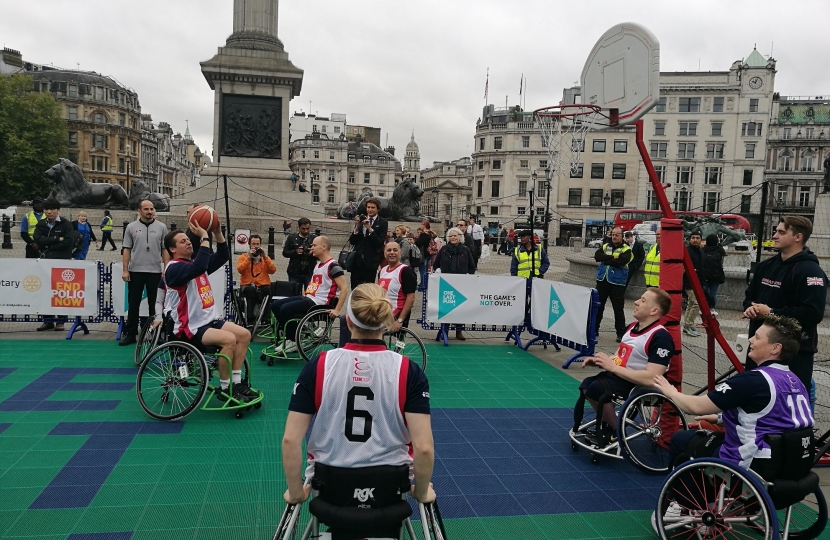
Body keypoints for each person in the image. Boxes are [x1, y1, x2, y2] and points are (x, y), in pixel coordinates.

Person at [281, 283, 435, 508]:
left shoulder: (320, 364)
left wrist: (296, 493)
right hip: (388, 486)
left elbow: (290, 439)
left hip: (330, 485)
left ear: (348, 321)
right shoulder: (408, 370)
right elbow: (424, 447)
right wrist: (421, 492)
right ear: (385, 321)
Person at [655, 314, 812, 470]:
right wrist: (720, 418)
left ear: (775, 348)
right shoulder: (796, 381)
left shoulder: (752, 380)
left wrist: (671, 392)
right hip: (790, 461)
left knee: (681, 439)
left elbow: (695, 407)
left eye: (757, 337)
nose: (750, 340)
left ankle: (683, 493)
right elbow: (771, 417)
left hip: (753, 461)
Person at [163, 223, 258, 403]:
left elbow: (222, 256)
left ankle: (237, 383)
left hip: (207, 321)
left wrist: (218, 233)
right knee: (229, 339)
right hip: (188, 327)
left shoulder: (192, 264)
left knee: (244, 335)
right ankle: (225, 388)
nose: (189, 243)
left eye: (188, 240)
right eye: (183, 241)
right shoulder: (174, 268)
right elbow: (199, 267)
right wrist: (205, 238)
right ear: (173, 249)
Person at [579, 288, 675, 444]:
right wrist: (601, 362)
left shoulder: (660, 336)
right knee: (587, 386)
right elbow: (619, 358)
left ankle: (617, 430)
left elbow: (653, 378)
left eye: (643, 300)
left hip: (640, 385)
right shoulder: (631, 327)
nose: (636, 302)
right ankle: (609, 425)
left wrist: (614, 368)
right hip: (623, 377)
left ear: (654, 310)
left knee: (598, 388)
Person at [742, 216, 827, 389]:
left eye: (781, 232)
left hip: (793, 354)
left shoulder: (811, 271)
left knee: (785, 406)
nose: (774, 236)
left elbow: (812, 313)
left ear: (798, 237)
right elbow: (749, 296)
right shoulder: (766, 265)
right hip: (759, 350)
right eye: (776, 231)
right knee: (754, 401)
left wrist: (771, 312)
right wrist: (750, 308)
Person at [271, 236, 348, 354]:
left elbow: (344, 289)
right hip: (310, 297)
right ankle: (293, 336)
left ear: (324, 247)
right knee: (275, 305)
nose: (311, 248)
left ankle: (294, 339)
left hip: (319, 303)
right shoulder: (318, 265)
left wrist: (337, 310)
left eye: (314, 245)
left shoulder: (333, 266)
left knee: (285, 309)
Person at [339, 242, 417, 346]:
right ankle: (348, 349)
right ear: (384, 254)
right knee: (346, 319)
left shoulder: (405, 271)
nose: (392, 253)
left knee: (364, 325)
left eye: (395, 250)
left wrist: (400, 320)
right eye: (389, 250)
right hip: (379, 311)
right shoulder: (383, 271)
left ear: (400, 253)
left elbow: (411, 298)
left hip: (393, 314)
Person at [119, 199, 169, 346]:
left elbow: (165, 249)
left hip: (155, 272)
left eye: (152, 209)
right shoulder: (131, 227)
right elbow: (126, 249)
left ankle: (154, 333)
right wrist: (125, 270)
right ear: (139, 211)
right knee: (133, 303)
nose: (150, 212)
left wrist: (166, 269)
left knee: (155, 304)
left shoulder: (162, 227)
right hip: (136, 271)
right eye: (146, 209)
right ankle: (131, 333)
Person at [33, 198, 75, 331]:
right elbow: (38, 239)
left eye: (52, 209)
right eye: (46, 209)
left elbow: (68, 242)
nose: (49, 212)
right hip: (45, 262)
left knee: (61, 291)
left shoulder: (66, 224)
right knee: (45, 291)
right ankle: (48, 320)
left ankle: (61, 320)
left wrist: (49, 245)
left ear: (58, 210)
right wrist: (56, 239)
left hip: (61, 261)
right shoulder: (41, 224)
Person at [432, 227, 476, 340]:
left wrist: (468, 276)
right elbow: (436, 264)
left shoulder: (465, 250)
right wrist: (438, 270)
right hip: (446, 283)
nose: (452, 237)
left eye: (455, 235)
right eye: (450, 236)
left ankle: (459, 331)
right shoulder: (444, 249)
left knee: (460, 307)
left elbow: (472, 266)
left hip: (461, 283)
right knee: (446, 307)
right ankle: (445, 330)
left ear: (460, 237)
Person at [593, 227, 632, 342]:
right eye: (613, 234)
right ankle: (594, 329)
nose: (614, 237)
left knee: (618, 309)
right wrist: (611, 258)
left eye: (617, 235)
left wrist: (605, 260)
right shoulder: (606, 246)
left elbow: (621, 261)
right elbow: (597, 256)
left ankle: (620, 333)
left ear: (622, 236)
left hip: (617, 283)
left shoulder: (626, 249)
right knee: (598, 306)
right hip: (602, 280)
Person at [236, 234, 277, 324]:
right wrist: (249, 258)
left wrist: (265, 257)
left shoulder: (264, 259)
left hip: (263, 285)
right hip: (248, 285)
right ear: (249, 245)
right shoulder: (243, 257)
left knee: (269, 290)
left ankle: (266, 319)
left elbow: (273, 270)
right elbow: (240, 270)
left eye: (257, 244)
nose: (255, 246)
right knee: (250, 290)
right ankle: (250, 318)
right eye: (253, 244)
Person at [348, 197, 388, 287]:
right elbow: (352, 241)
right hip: (357, 262)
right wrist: (357, 228)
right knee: (355, 289)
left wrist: (370, 229)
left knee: (368, 290)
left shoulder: (382, 222)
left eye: (373, 207)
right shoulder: (361, 220)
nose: (370, 210)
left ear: (378, 209)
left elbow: (380, 243)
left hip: (370, 262)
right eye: (368, 207)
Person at [681, 231, 705, 337]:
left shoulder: (700, 251)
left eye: (697, 238)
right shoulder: (688, 251)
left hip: (697, 281)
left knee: (691, 304)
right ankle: (688, 324)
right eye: (693, 238)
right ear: (689, 239)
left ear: (701, 240)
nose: (695, 240)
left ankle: (687, 325)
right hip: (688, 282)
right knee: (696, 303)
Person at [282, 217, 317, 289]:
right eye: (303, 229)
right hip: (294, 272)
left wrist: (312, 253)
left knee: (310, 295)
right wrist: (295, 252)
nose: (306, 231)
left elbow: (321, 254)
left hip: (310, 271)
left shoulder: (314, 238)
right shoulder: (292, 238)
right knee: (294, 293)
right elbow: (285, 252)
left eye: (308, 229)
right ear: (299, 227)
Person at [701, 234, 726, 314]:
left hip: (705, 275)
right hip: (716, 275)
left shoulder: (704, 250)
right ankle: (712, 308)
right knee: (713, 292)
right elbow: (721, 261)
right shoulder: (719, 250)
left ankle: (704, 308)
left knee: (705, 292)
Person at [415, 219, 432, 287]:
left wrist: (416, 240)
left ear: (424, 225)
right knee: (426, 269)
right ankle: (426, 282)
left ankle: (423, 283)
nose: (421, 226)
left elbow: (419, 243)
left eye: (422, 224)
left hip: (423, 254)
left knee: (422, 270)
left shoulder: (423, 234)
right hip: (429, 253)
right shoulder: (430, 233)